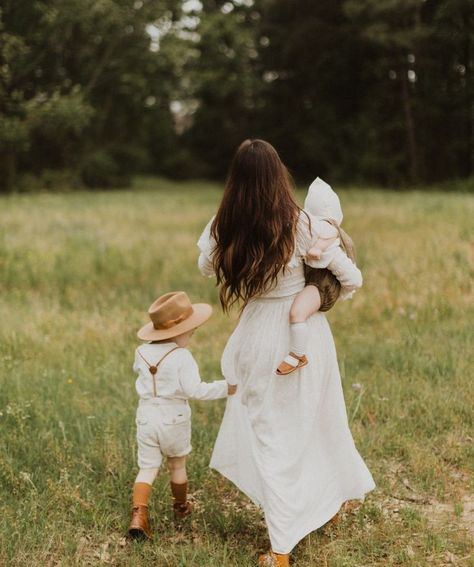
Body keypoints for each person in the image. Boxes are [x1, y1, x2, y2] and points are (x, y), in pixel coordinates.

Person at [197, 140, 375, 567]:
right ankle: (314, 513)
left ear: (234, 182)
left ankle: (283, 545)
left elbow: (206, 268)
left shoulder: (224, 223)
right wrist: (315, 291)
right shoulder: (302, 223)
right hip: (305, 335)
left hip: (259, 335)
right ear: (280, 177)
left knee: (272, 436)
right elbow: (352, 280)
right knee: (314, 423)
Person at [128, 291, 234, 540]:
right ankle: (181, 507)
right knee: (177, 465)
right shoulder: (182, 357)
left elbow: (139, 371)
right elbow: (194, 390)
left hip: (145, 417)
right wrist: (226, 387)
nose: (191, 335)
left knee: (147, 468)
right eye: (190, 331)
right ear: (176, 332)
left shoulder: (141, 352)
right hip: (173, 419)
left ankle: (139, 516)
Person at [276, 177, 358, 375]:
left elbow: (330, 234)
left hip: (321, 286)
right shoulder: (312, 227)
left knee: (297, 313)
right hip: (314, 284)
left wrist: (318, 249)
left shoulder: (328, 228)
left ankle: (298, 354)